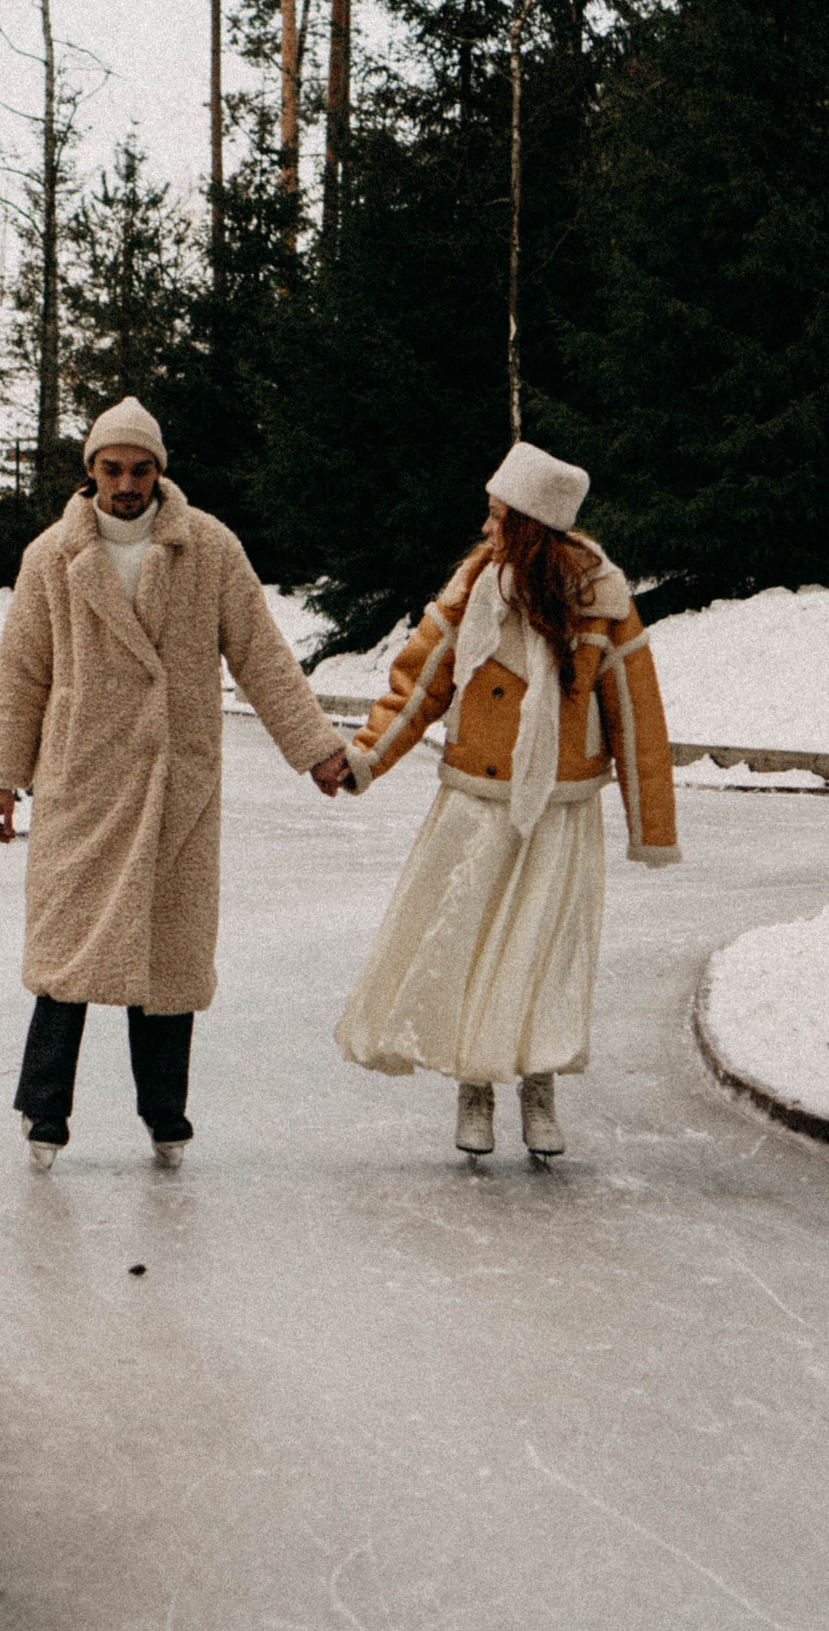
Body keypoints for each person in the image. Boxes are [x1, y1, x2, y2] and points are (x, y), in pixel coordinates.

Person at [0, 397, 351, 1170]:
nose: (126, 484)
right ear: (90, 472)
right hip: (82, 781)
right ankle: (43, 1109)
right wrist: (5, 779)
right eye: (111, 469)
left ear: (159, 471)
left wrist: (314, 748)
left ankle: (166, 1112)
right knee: (67, 954)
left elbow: (262, 655)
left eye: (140, 469)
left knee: (168, 957)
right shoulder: (51, 556)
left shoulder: (207, 548)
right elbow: (22, 673)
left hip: (175, 783)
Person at [333, 441, 679, 1159]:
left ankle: (539, 1081)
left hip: (559, 807)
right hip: (476, 803)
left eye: (497, 517)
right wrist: (365, 757)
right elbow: (420, 682)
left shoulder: (602, 601)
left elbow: (636, 716)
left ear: (530, 523)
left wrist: (651, 826)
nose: (486, 530)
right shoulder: (473, 589)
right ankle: (475, 1089)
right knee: (466, 945)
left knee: (542, 952)